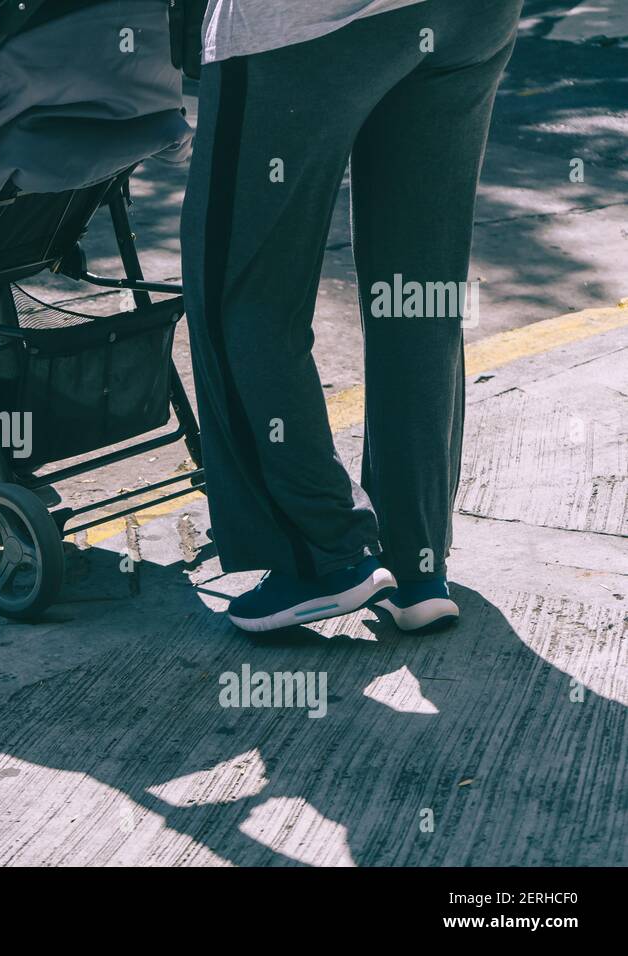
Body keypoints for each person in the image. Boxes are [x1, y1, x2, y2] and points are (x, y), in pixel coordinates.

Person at [179, 0, 524, 632]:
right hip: (471, 18)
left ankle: (321, 556)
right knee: (419, 290)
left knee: (241, 292)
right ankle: (416, 566)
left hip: (302, 28)